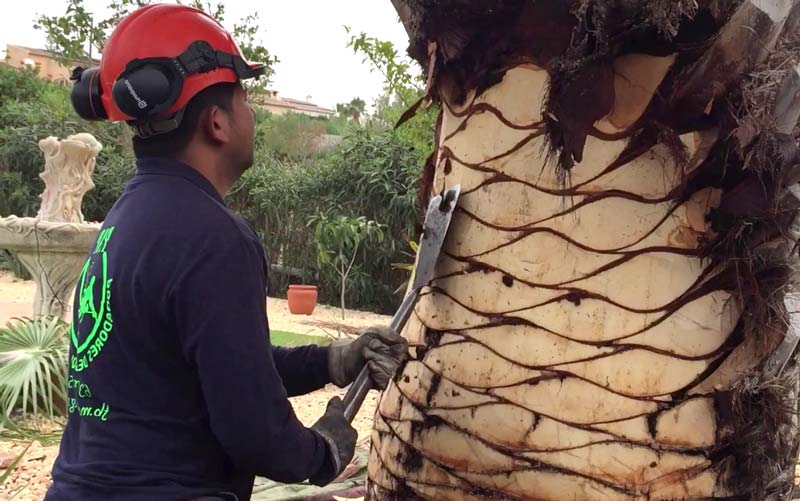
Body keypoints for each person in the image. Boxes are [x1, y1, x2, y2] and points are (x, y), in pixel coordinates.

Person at [44, 4, 408, 501]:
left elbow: (223, 363)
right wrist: (323, 451)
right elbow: (253, 430)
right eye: (245, 99)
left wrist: (331, 362)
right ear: (217, 123)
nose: (252, 115)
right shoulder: (214, 238)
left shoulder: (128, 218)